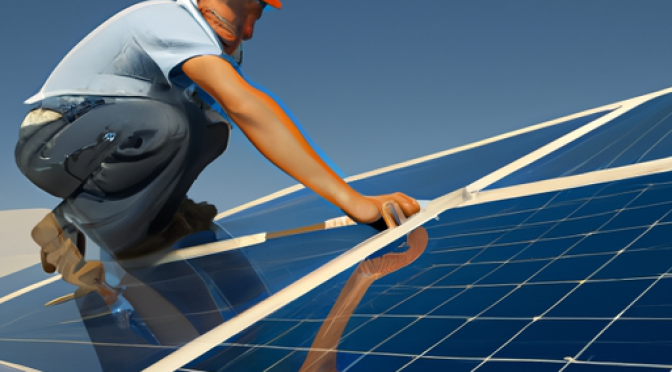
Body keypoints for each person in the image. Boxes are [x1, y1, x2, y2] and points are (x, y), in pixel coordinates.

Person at [16, 0, 420, 296]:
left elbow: (229, 121)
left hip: (101, 139)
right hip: (53, 144)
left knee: (207, 127)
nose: (249, 32)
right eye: (252, 12)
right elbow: (247, 107)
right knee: (169, 125)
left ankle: (160, 213)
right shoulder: (168, 19)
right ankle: (70, 225)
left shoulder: (204, 42)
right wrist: (352, 201)